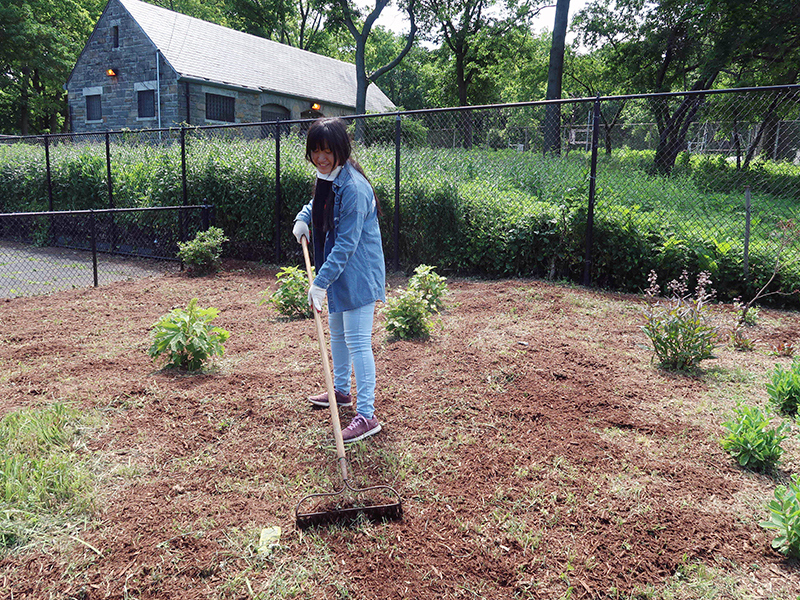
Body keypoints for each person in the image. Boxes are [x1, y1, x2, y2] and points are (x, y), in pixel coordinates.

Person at [292, 117, 385, 443]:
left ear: (340, 150)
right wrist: (303, 218)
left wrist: (319, 283)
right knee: (339, 336)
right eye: (315, 150)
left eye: (327, 151)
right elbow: (318, 204)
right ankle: (342, 392)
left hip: (357, 273)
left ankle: (367, 415)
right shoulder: (330, 177)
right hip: (338, 271)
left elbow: (346, 243)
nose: (321, 157)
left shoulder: (355, 188)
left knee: (358, 342)